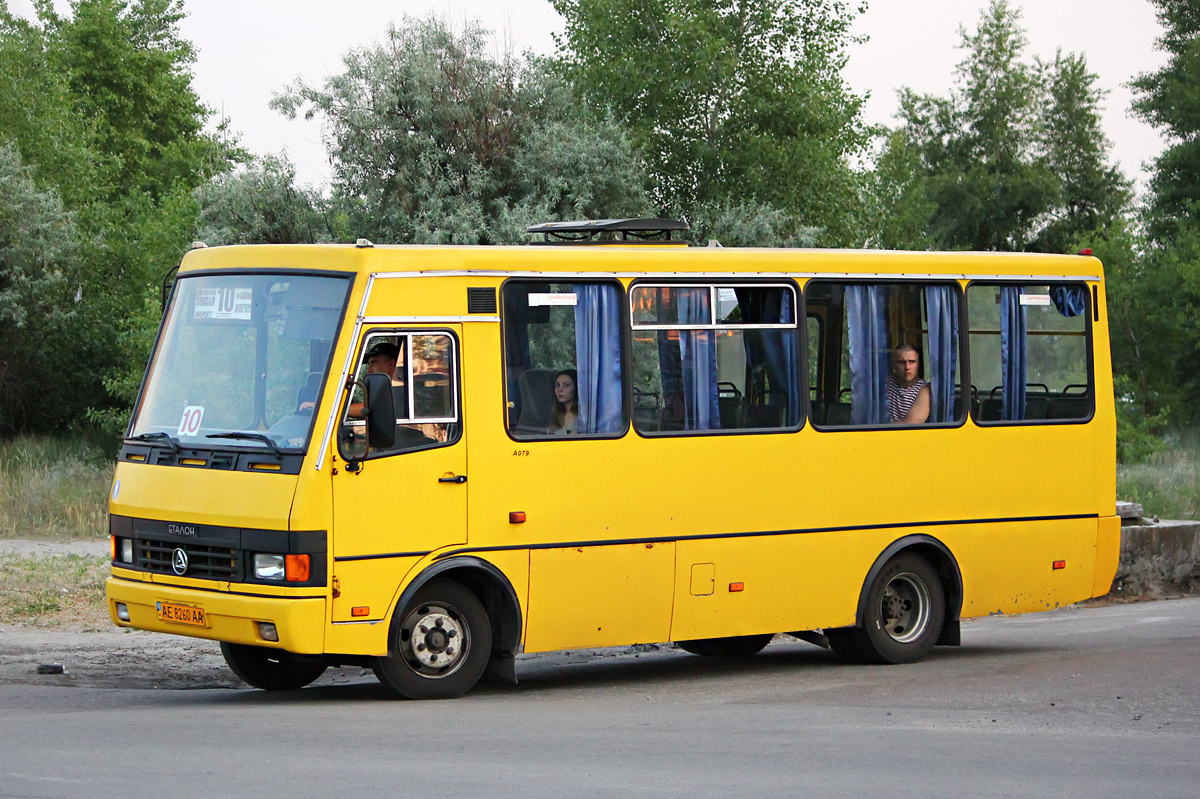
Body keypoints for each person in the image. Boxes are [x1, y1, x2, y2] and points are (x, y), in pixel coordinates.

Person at [888, 344, 930, 424]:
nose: (907, 367)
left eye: (911, 362)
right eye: (902, 362)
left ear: (918, 364)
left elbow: (909, 427)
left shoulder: (923, 391)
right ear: (893, 365)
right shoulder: (889, 382)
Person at [548, 369, 580, 435]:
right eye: (557, 385)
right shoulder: (556, 415)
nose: (560, 389)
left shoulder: (583, 416)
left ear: (576, 388)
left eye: (566, 385)